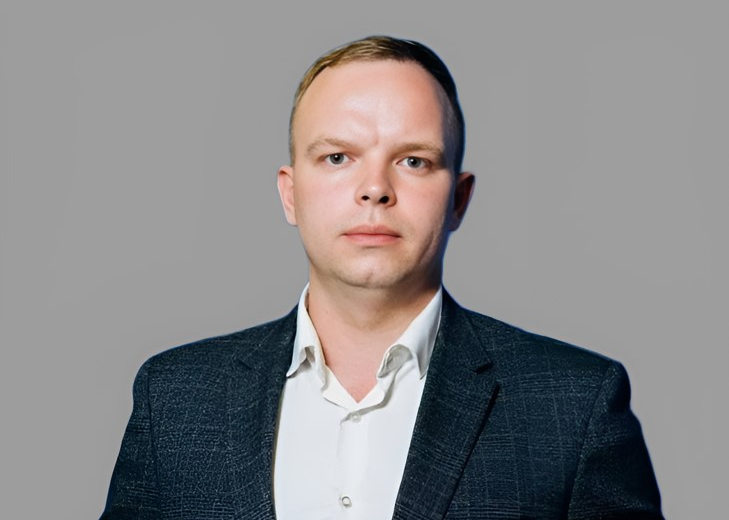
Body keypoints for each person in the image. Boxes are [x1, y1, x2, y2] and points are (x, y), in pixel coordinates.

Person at [100, 36, 663, 520]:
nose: (375, 188)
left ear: (459, 198)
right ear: (290, 194)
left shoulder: (575, 405)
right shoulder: (175, 398)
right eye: (338, 157)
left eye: (413, 160)